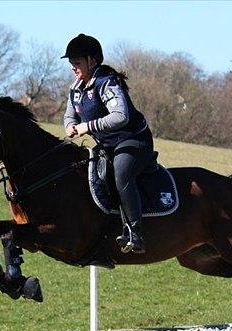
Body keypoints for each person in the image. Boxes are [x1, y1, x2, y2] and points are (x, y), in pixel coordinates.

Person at [62, 33, 153, 254]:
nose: (73, 67)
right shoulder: (76, 88)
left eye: (77, 63)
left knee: (121, 173)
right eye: (71, 63)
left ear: (92, 61)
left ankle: (136, 232)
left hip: (133, 140)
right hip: (107, 145)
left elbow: (120, 116)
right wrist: (70, 126)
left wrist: (86, 127)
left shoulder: (106, 83)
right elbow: (69, 116)